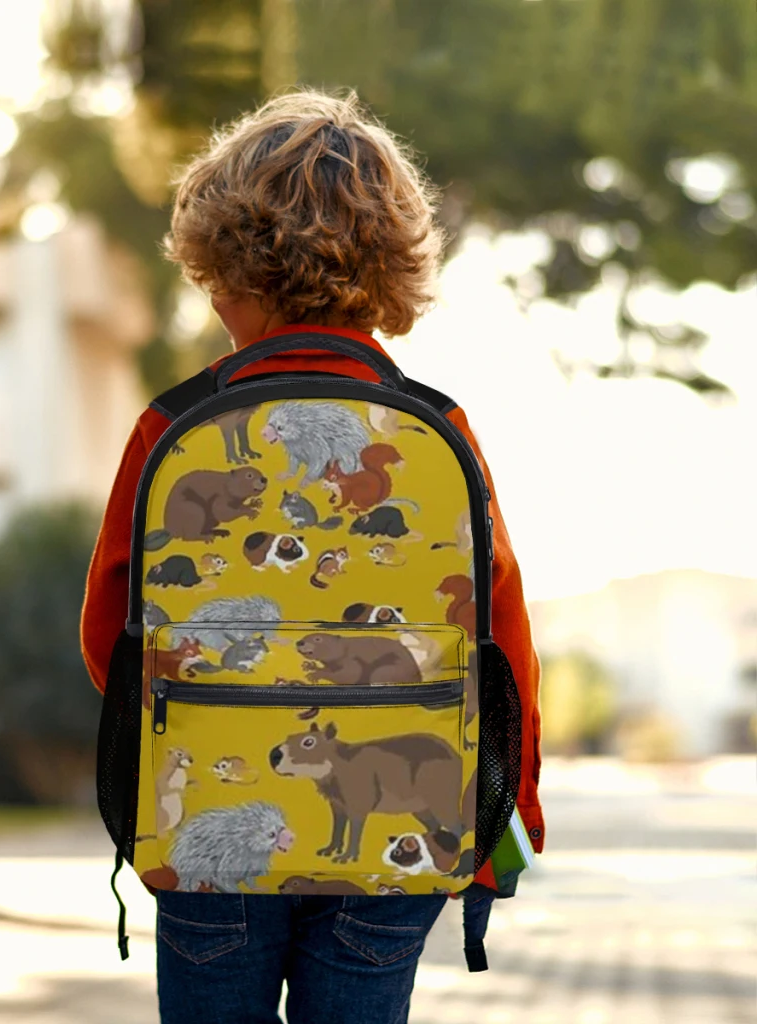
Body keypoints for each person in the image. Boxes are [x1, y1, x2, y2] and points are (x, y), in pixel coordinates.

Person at [81, 88, 543, 1024]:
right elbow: (502, 639)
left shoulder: (171, 427)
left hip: (212, 825)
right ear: (392, 270)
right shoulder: (439, 429)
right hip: (397, 837)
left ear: (225, 270)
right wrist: (512, 808)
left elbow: (108, 637)